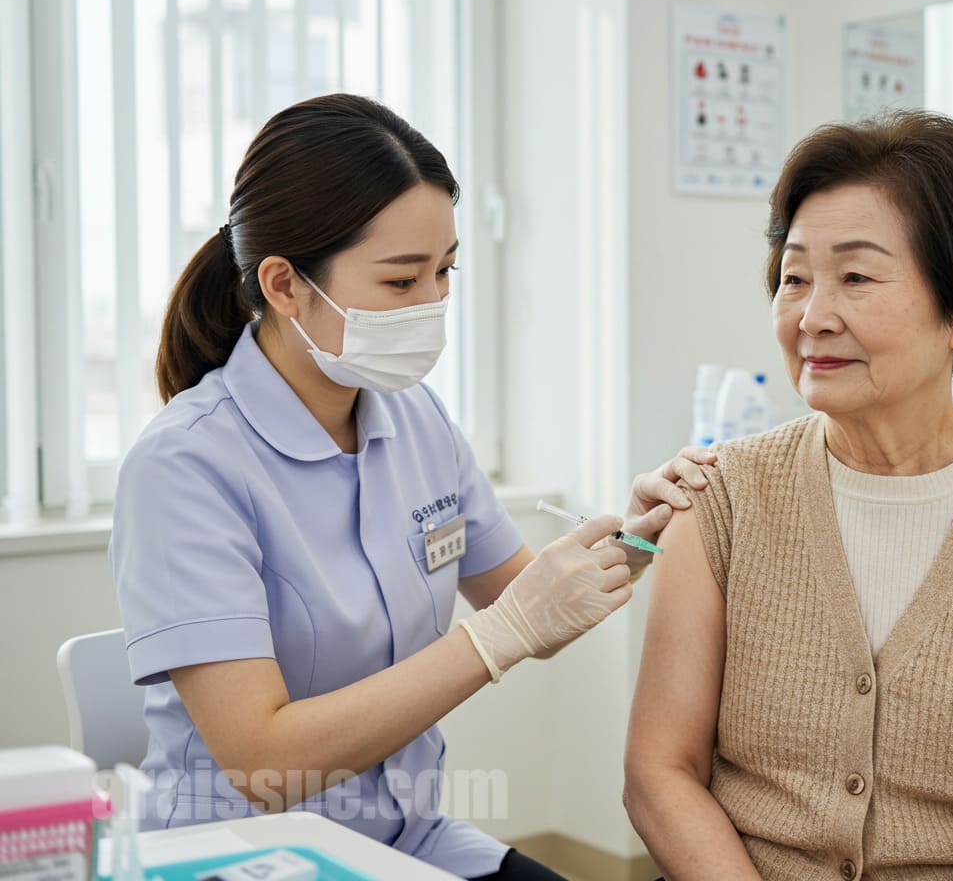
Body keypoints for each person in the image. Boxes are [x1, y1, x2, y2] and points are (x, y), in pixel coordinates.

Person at [110, 93, 710, 881]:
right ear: (285, 286)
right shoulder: (186, 466)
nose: (433, 304)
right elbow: (260, 761)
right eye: (401, 282)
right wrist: (494, 643)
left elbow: (525, 602)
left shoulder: (413, 418)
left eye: (446, 270)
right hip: (249, 858)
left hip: (405, 841)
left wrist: (634, 537)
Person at [624, 111, 953, 880]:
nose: (811, 316)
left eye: (857, 278)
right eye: (795, 278)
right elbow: (658, 774)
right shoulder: (721, 497)